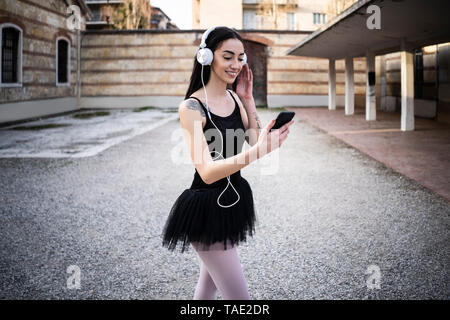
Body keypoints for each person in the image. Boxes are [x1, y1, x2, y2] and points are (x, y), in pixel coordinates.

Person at [161, 26, 294, 300]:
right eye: (228, 57)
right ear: (207, 58)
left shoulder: (234, 98)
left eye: (240, 57)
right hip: (206, 208)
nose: (236, 65)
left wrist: (247, 98)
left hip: (232, 202)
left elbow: (255, 140)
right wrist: (259, 152)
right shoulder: (191, 107)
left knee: (207, 289)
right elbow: (207, 172)